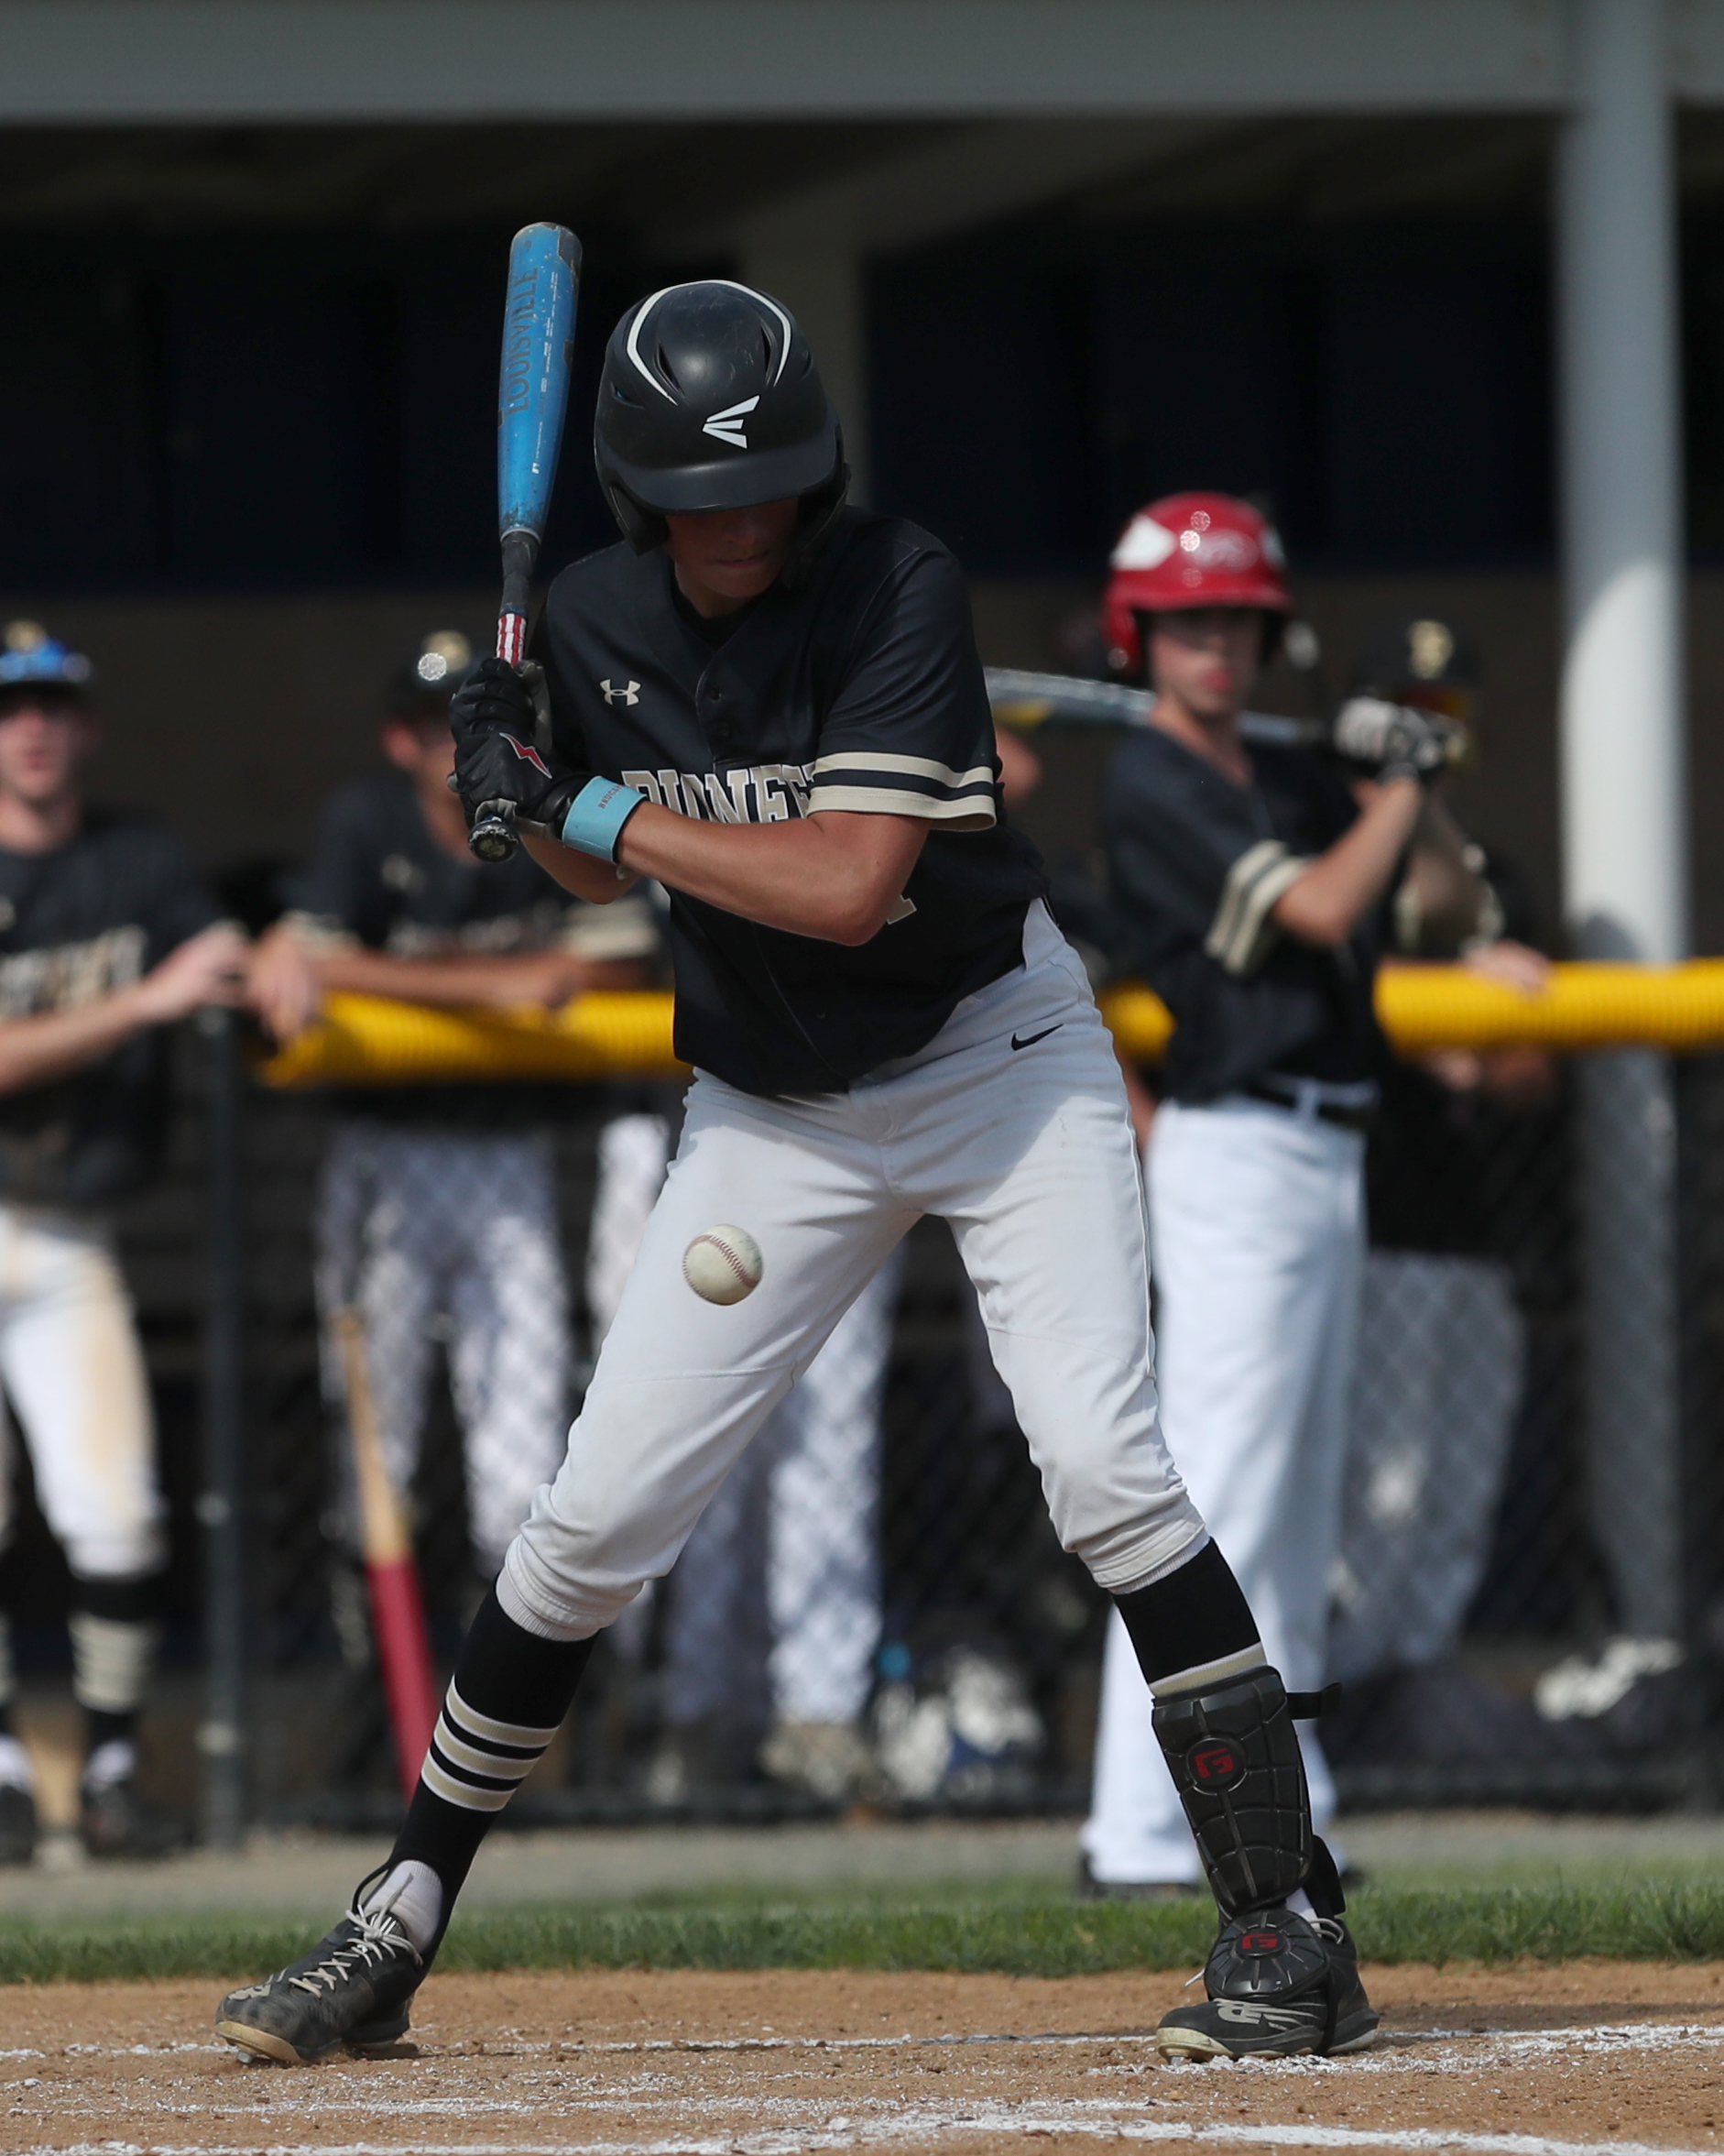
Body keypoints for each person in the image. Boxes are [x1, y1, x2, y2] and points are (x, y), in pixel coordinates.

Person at [217, 285, 1377, 2067]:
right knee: (590, 1523)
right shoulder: (592, 617)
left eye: (767, 487)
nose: (741, 522)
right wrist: (518, 791)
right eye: (705, 495)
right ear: (637, 497)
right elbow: (599, 885)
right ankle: (397, 1913)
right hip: (772, 1111)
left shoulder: (893, 583)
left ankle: (1277, 1922)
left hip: (995, 1061)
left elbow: (843, 882)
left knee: (1102, 1467)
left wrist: (590, 809)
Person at [1079, 497, 1497, 1896]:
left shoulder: (1296, 772)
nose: (1215, 647)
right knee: (1221, 1493)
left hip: (1327, 1150)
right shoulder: (1155, 782)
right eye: (1189, 622)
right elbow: (1317, 912)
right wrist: (1382, 789)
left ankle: (1286, 1808)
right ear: (1143, 634)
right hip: (1232, 1148)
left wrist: (1412, 777)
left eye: (1238, 623)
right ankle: (1143, 1829)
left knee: (1299, 1506)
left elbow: (1436, 906)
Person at [246, 632, 658, 1772]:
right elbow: (311, 959)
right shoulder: (364, 823)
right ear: (399, 739)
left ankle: (522, 1736)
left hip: (509, 1161)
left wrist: (433, 986)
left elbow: (616, 964)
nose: (452, 749)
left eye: (469, 726)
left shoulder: (537, 810)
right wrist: (500, 988)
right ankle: (370, 1715)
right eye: (433, 729)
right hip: (383, 1161)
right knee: (366, 1452)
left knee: (518, 1464)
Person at [0, 620, 247, 1864]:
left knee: (118, 1515)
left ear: (84, 725)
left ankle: (103, 1770)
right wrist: (142, 1002)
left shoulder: (135, 857)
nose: (32, 727)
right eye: (11, 708)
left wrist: (285, 962)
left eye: (53, 705)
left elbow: (226, 955)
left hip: (69, 1226)